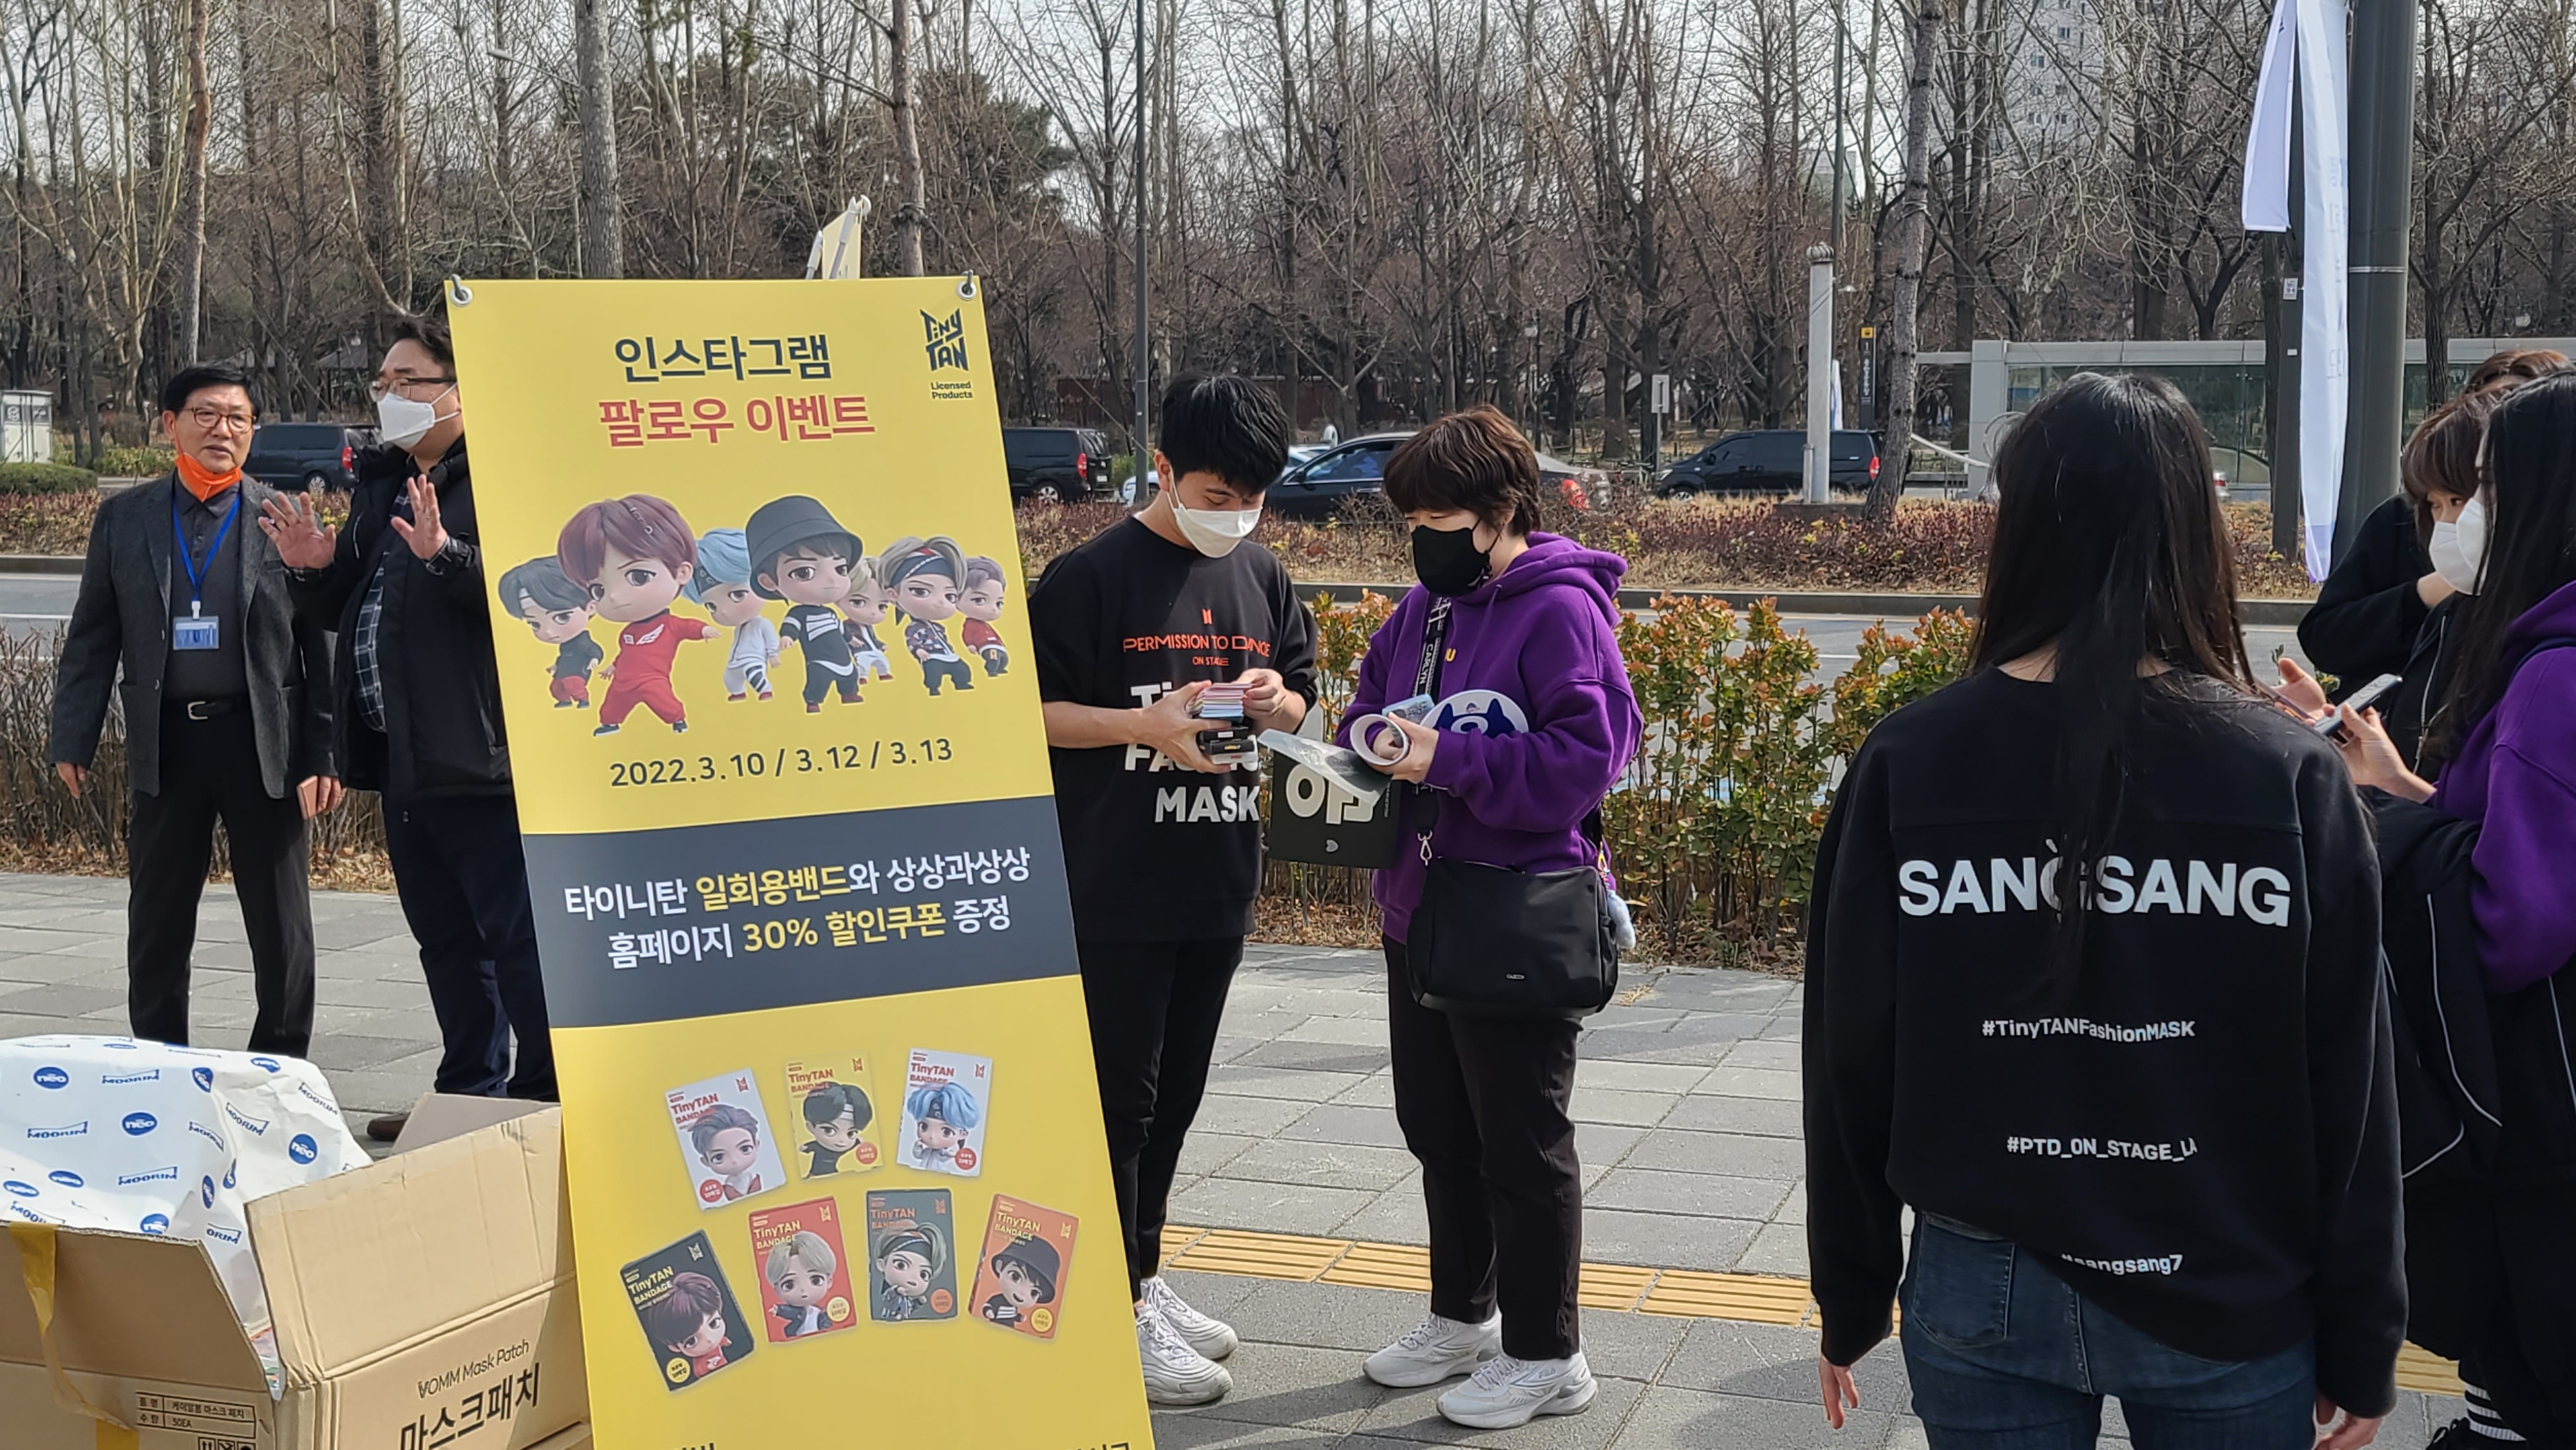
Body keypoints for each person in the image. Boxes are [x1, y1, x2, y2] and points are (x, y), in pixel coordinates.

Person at [1804, 373, 2400, 1449]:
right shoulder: (2284, 774)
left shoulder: (1913, 759)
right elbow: (2349, 1078)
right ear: (2196, 532)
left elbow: (1849, 1051)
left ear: (2023, 529)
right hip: (2228, 1267)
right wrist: (2363, 1332)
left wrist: (1850, 1290)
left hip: (1982, 1270)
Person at [1338, 406, 1641, 1431]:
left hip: (1515, 912)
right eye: (1411, 522)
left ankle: (1549, 1354)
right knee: (1439, 1129)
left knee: (1522, 1141)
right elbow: (1365, 708)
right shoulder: (1423, 611)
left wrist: (1446, 757)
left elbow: (1583, 761)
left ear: (1501, 511)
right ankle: (1462, 1316)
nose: (1422, 541)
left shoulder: (1560, 612)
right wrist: (1374, 737)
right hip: (1418, 907)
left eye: (1438, 520)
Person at [1029, 373, 1318, 1406]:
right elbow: (1028, 714)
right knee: (1120, 1105)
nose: (1233, 514)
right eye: (1214, 493)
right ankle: (1113, 1310)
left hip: (1216, 875)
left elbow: (1300, 696)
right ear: (1162, 469)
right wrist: (1142, 726)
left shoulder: (1262, 572)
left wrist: (1277, 702)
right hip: (1112, 884)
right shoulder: (1089, 577)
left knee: (1178, 1098)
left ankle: (1141, 1274)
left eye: (1252, 497)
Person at [2333, 371, 2576, 1449]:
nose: (2454, 522)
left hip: (2545, 1123)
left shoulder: (2555, 678)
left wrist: (2386, 830)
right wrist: (2409, 792)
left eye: (2476, 492)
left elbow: (2510, 921)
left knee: (2523, 1386)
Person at [259, 312, 554, 1136]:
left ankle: (542, 1094)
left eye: (408, 381)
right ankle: (467, 1091)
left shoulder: (507, 475)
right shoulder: (386, 483)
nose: (388, 396)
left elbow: (538, 596)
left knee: (515, 938)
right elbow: (354, 603)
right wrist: (313, 572)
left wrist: (447, 554)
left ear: (460, 390)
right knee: (444, 939)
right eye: (382, 383)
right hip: (403, 756)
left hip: (481, 754)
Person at [50, 363, 340, 1057]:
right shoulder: (126, 518)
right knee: (157, 918)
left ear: (253, 430)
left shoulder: (283, 517)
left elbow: (320, 646)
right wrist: (72, 735)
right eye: (206, 414)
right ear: (169, 424)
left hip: (261, 742)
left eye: (238, 418)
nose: (222, 430)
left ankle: (278, 1063)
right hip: (167, 743)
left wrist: (324, 752)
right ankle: (159, 1060)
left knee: (281, 922)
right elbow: (93, 635)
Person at [2300, 349, 2565, 735]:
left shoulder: (2553, 646)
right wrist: (2424, 595)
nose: (2448, 519)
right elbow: (2326, 636)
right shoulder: (2402, 521)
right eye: (2436, 504)